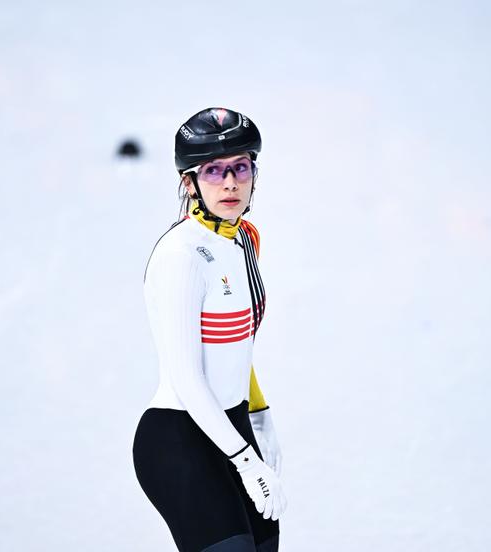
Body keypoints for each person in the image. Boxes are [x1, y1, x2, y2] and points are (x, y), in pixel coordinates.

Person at [133, 107, 287, 552]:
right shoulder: (180, 256)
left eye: (240, 168)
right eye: (215, 172)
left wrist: (259, 417)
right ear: (191, 183)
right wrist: (245, 461)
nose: (230, 183)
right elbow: (186, 377)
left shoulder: (244, 239)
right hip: (180, 438)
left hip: (234, 426)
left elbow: (238, 346)